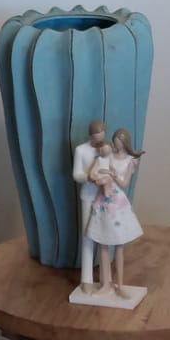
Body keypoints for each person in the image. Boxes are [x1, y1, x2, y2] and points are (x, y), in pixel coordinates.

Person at [84, 128, 145, 295]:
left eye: (119, 143)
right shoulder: (108, 156)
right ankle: (106, 283)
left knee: (119, 244)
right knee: (103, 243)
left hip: (117, 202)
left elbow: (124, 183)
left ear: (125, 143)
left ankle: (120, 284)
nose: (116, 146)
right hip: (104, 201)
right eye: (115, 142)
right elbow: (96, 171)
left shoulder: (130, 161)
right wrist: (99, 176)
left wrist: (113, 174)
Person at [72, 118, 107, 292]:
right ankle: (86, 279)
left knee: (105, 236)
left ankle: (106, 280)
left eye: (101, 137)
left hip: (105, 197)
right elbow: (76, 174)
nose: (99, 141)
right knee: (88, 236)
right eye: (96, 138)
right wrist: (88, 177)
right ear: (90, 136)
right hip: (88, 196)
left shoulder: (107, 149)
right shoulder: (81, 150)